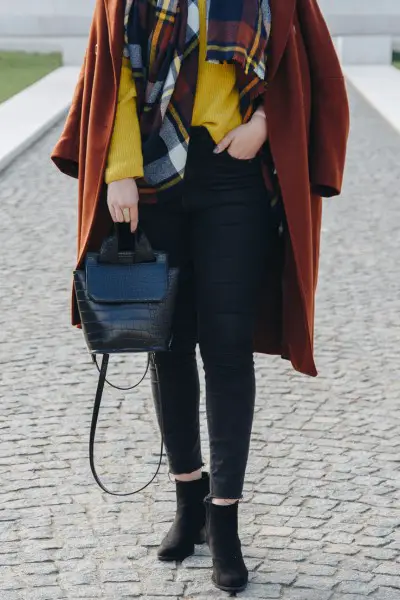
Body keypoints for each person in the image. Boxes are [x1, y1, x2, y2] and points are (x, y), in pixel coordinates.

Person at [52, 0, 349, 593]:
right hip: (153, 182)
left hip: (234, 178)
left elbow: (305, 68)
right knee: (168, 346)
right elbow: (114, 74)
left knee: (228, 347)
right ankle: (188, 498)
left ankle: (226, 517)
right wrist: (120, 170)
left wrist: (264, 124)